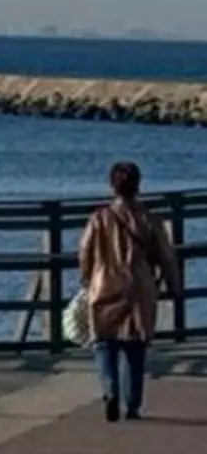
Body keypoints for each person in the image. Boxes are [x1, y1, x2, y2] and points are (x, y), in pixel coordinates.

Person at [79, 160, 180, 422]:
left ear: (112, 185)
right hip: (139, 287)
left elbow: (85, 253)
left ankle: (110, 390)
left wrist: (87, 280)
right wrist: (174, 286)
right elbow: (166, 257)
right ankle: (132, 404)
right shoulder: (149, 219)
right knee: (135, 347)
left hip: (104, 285)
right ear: (138, 185)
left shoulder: (99, 218)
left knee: (104, 344)